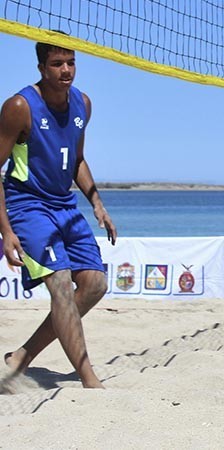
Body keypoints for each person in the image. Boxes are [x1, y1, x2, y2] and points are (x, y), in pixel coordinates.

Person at [0, 35, 117, 388]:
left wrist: (97, 202)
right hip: (27, 204)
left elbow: (76, 159)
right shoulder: (19, 106)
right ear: (41, 68)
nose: (65, 70)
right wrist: (6, 232)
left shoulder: (83, 103)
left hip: (64, 204)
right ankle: (89, 379)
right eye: (56, 64)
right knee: (62, 286)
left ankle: (23, 356)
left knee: (95, 285)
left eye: (70, 62)